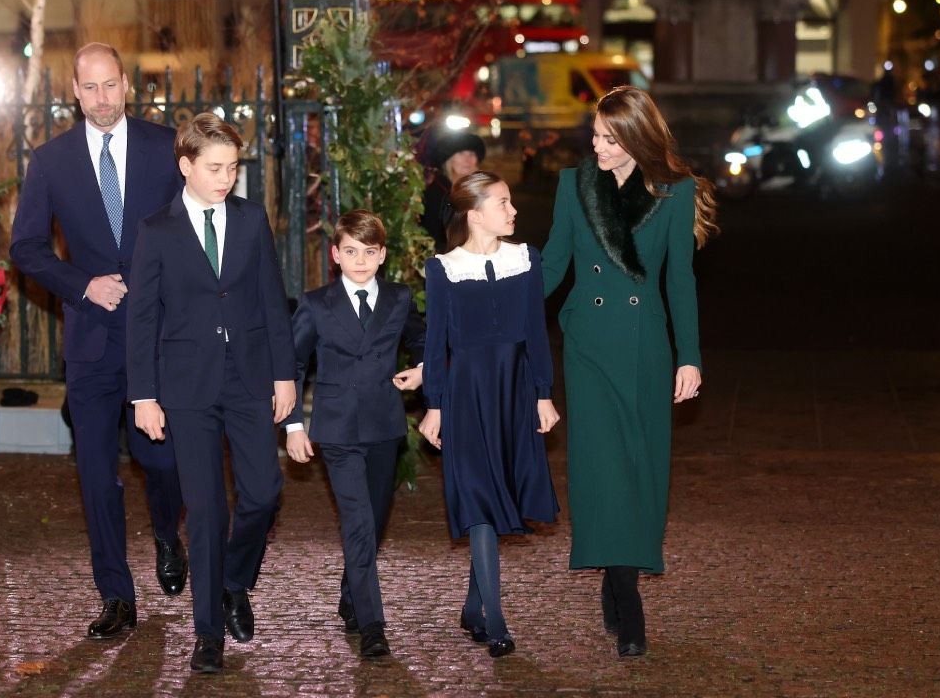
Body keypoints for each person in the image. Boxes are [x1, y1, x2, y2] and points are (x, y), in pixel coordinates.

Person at [10, 42, 187, 640]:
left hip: (157, 338)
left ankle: (167, 530)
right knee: (94, 474)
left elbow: (197, 226)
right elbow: (26, 248)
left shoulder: (167, 150)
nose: (102, 98)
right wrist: (82, 285)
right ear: (75, 92)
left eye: (111, 85)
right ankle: (116, 595)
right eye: (90, 88)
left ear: (125, 83)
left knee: (161, 461)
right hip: (89, 341)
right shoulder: (50, 161)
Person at [540, 85, 717, 657]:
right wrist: (490, 303)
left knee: (641, 468)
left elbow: (680, 281)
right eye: (594, 136)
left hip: (645, 347)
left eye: (610, 139)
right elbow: (552, 266)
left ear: (639, 139)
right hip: (589, 346)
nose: (598, 148)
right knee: (600, 468)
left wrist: (688, 355)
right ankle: (626, 594)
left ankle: (621, 580)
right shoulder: (574, 186)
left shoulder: (676, 192)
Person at [126, 113, 296, 674]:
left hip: (248, 378)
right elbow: (142, 320)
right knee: (203, 511)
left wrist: (285, 374)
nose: (227, 179)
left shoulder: (250, 220)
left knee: (264, 492)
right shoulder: (157, 230)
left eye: (233, 168)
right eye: (216, 168)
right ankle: (207, 635)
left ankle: (233, 582)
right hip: (187, 387)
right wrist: (143, 396)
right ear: (186, 166)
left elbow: (273, 300)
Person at [418, 171, 560, 658]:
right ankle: (495, 618)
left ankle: (473, 604)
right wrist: (433, 405)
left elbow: (536, 334)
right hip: (466, 393)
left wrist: (543, 393)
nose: (513, 210)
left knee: (504, 490)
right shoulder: (443, 269)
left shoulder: (526, 259)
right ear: (475, 214)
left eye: (511, 201)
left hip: (515, 391)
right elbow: (436, 343)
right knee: (479, 494)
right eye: (503, 203)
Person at [282, 209, 427, 659]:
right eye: (350, 252)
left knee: (376, 520)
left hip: (384, 427)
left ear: (382, 255)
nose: (360, 261)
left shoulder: (399, 299)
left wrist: (422, 371)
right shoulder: (316, 303)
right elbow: (292, 365)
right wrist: (292, 427)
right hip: (338, 429)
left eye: (369, 252)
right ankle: (372, 625)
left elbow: (425, 340)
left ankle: (351, 594)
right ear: (335, 255)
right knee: (358, 523)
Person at [420, 130, 486, 252]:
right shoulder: (437, 193)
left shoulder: (481, 191)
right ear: (448, 160)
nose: (468, 160)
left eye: (471, 154)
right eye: (461, 153)